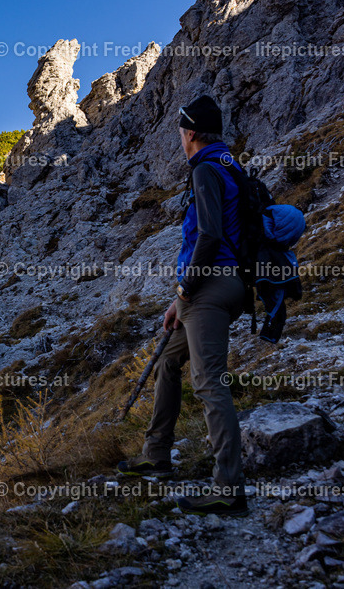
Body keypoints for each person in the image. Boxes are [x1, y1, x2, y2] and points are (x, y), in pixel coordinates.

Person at [117, 95, 248, 516]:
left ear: (190, 133)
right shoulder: (229, 164)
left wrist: (187, 290)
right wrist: (181, 301)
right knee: (167, 362)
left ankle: (229, 489)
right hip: (223, 286)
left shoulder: (207, 170)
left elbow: (208, 237)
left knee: (209, 382)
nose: (179, 137)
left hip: (210, 287)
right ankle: (156, 455)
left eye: (179, 131)